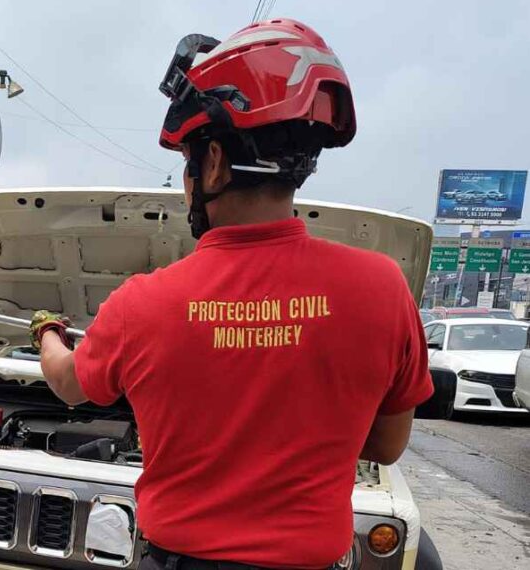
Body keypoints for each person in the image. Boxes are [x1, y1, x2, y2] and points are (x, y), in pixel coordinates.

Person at [31, 19, 433, 570]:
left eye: (188, 163)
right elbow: (385, 447)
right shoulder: (383, 288)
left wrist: (47, 332)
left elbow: (68, 383)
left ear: (214, 160)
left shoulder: (143, 303)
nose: (186, 181)